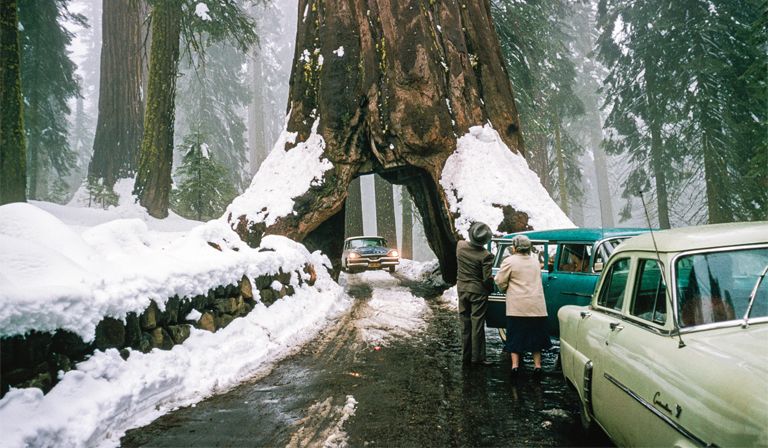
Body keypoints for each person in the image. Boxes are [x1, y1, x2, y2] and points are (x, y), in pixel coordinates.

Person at [494, 234, 551, 377]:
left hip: (518, 307)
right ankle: (537, 366)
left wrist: (505, 288)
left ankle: (515, 367)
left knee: (515, 337)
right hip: (537, 307)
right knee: (536, 338)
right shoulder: (535, 262)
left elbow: (500, 280)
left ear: (514, 248)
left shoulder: (509, 261)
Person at [456, 222, 494, 366]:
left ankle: (465, 356)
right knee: (477, 325)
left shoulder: (460, 246)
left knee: (465, 324)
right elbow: (487, 279)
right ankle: (477, 358)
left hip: (462, 289)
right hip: (478, 292)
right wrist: (491, 289)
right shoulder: (485, 255)